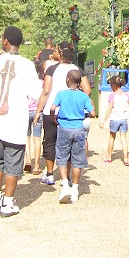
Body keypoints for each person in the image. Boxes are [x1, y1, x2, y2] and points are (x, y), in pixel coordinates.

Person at [0, 26, 38, 217]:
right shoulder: (28, 65)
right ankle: (8, 203)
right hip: (15, 121)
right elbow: (36, 93)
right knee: (13, 161)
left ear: (5, 41)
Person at [33, 44, 92, 186]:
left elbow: (46, 90)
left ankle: (49, 173)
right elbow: (88, 90)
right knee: (70, 145)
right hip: (70, 114)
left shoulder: (52, 69)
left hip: (51, 111)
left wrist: (38, 110)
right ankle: (68, 176)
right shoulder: (78, 70)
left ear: (61, 54)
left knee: (50, 142)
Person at [52, 69, 96, 203]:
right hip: (78, 128)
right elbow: (93, 113)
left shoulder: (61, 94)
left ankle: (65, 185)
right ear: (79, 82)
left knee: (62, 157)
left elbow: (53, 108)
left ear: (67, 80)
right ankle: (75, 189)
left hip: (64, 128)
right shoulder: (83, 96)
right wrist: (83, 115)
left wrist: (55, 118)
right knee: (77, 160)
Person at [99, 75, 129, 165]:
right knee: (123, 138)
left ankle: (109, 157)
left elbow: (109, 109)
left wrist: (104, 121)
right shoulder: (126, 95)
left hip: (114, 119)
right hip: (123, 119)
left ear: (114, 85)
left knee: (112, 138)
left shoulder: (112, 96)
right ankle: (126, 159)